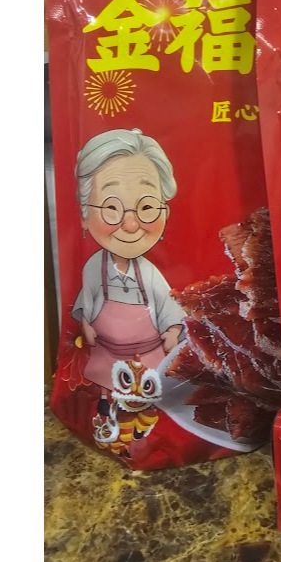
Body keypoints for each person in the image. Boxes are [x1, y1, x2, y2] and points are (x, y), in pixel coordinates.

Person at [71, 128, 185, 417]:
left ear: (164, 212)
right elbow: (86, 300)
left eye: (146, 206)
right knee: (106, 383)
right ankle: (106, 403)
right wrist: (86, 323)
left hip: (148, 352)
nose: (131, 225)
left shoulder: (149, 272)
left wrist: (173, 330)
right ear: (84, 214)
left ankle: (148, 408)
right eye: (111, 207)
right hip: (106, 351)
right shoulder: (94, 267)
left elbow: (167, 305)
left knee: (149, 388)